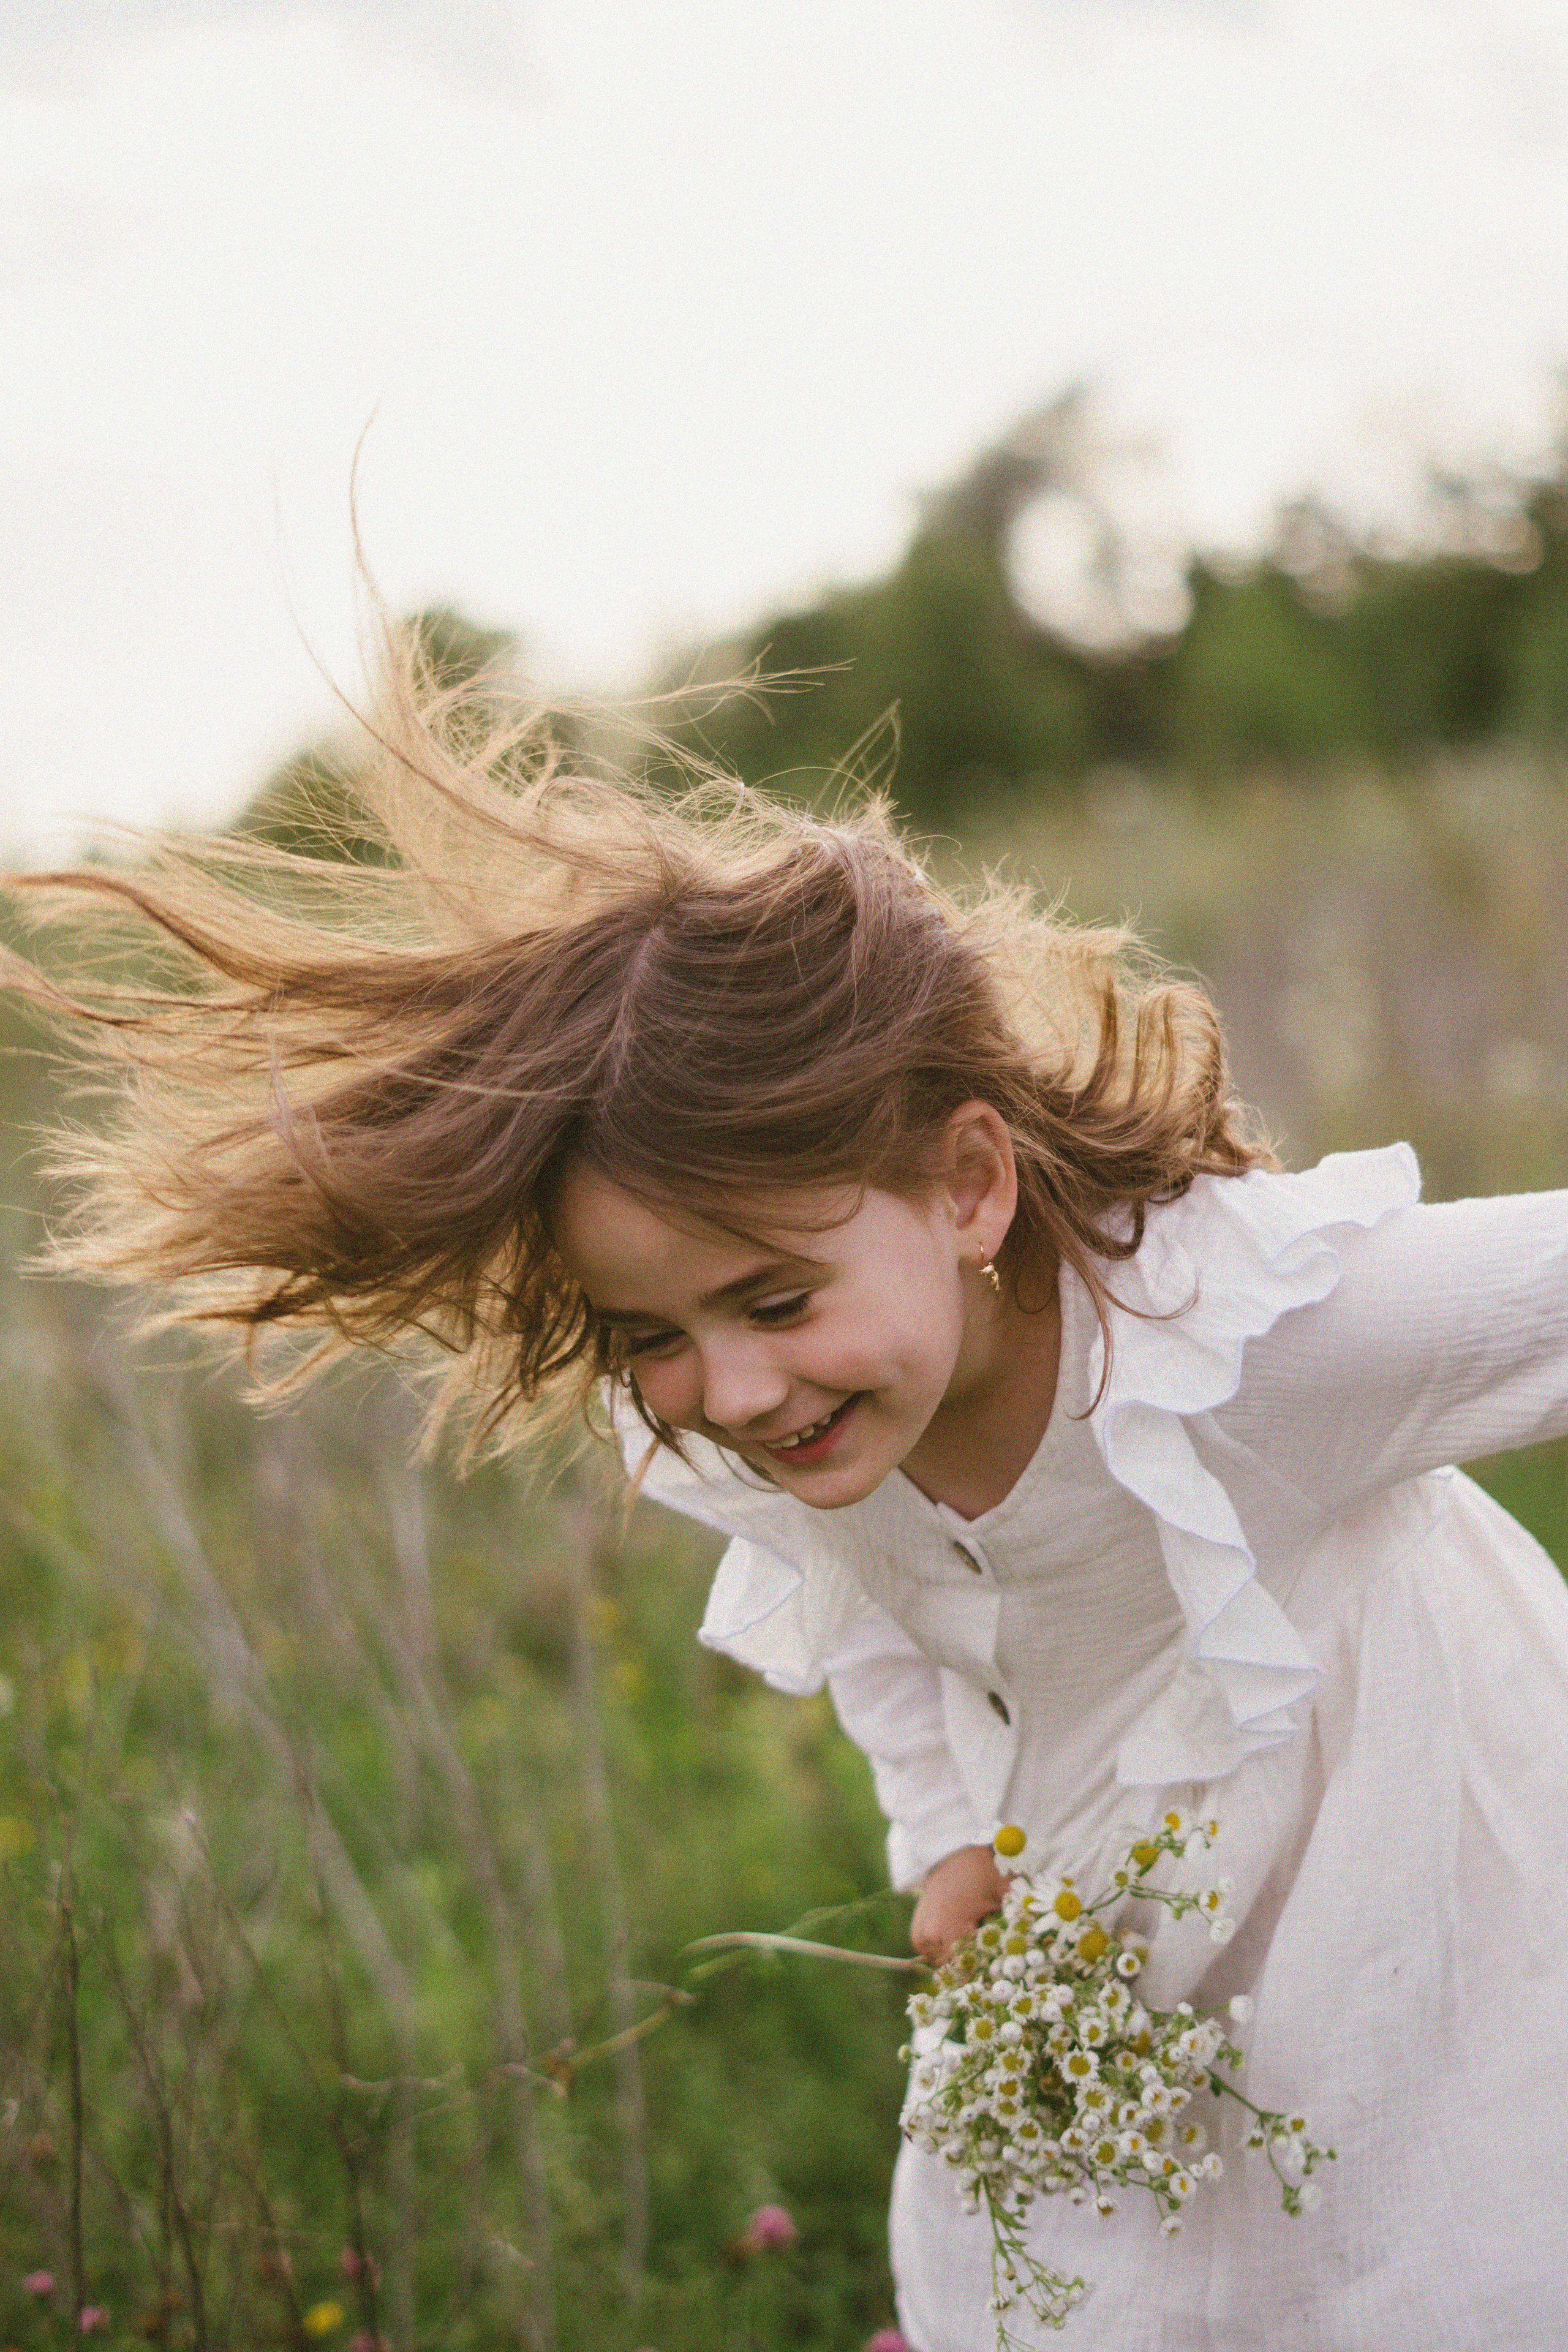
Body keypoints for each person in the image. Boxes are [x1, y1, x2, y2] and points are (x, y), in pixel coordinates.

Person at [7, 635, 1568, 2350]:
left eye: (775, 1299)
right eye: (646, 1332)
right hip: (1110, 1950)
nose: (733, 1392)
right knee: (1085, 2293)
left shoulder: (1246, 1346)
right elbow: (890, 1634)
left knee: (1412, 2262)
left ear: (968, 1186)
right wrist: (952, 1842)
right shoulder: (766, 1431)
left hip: (1426, 1900)